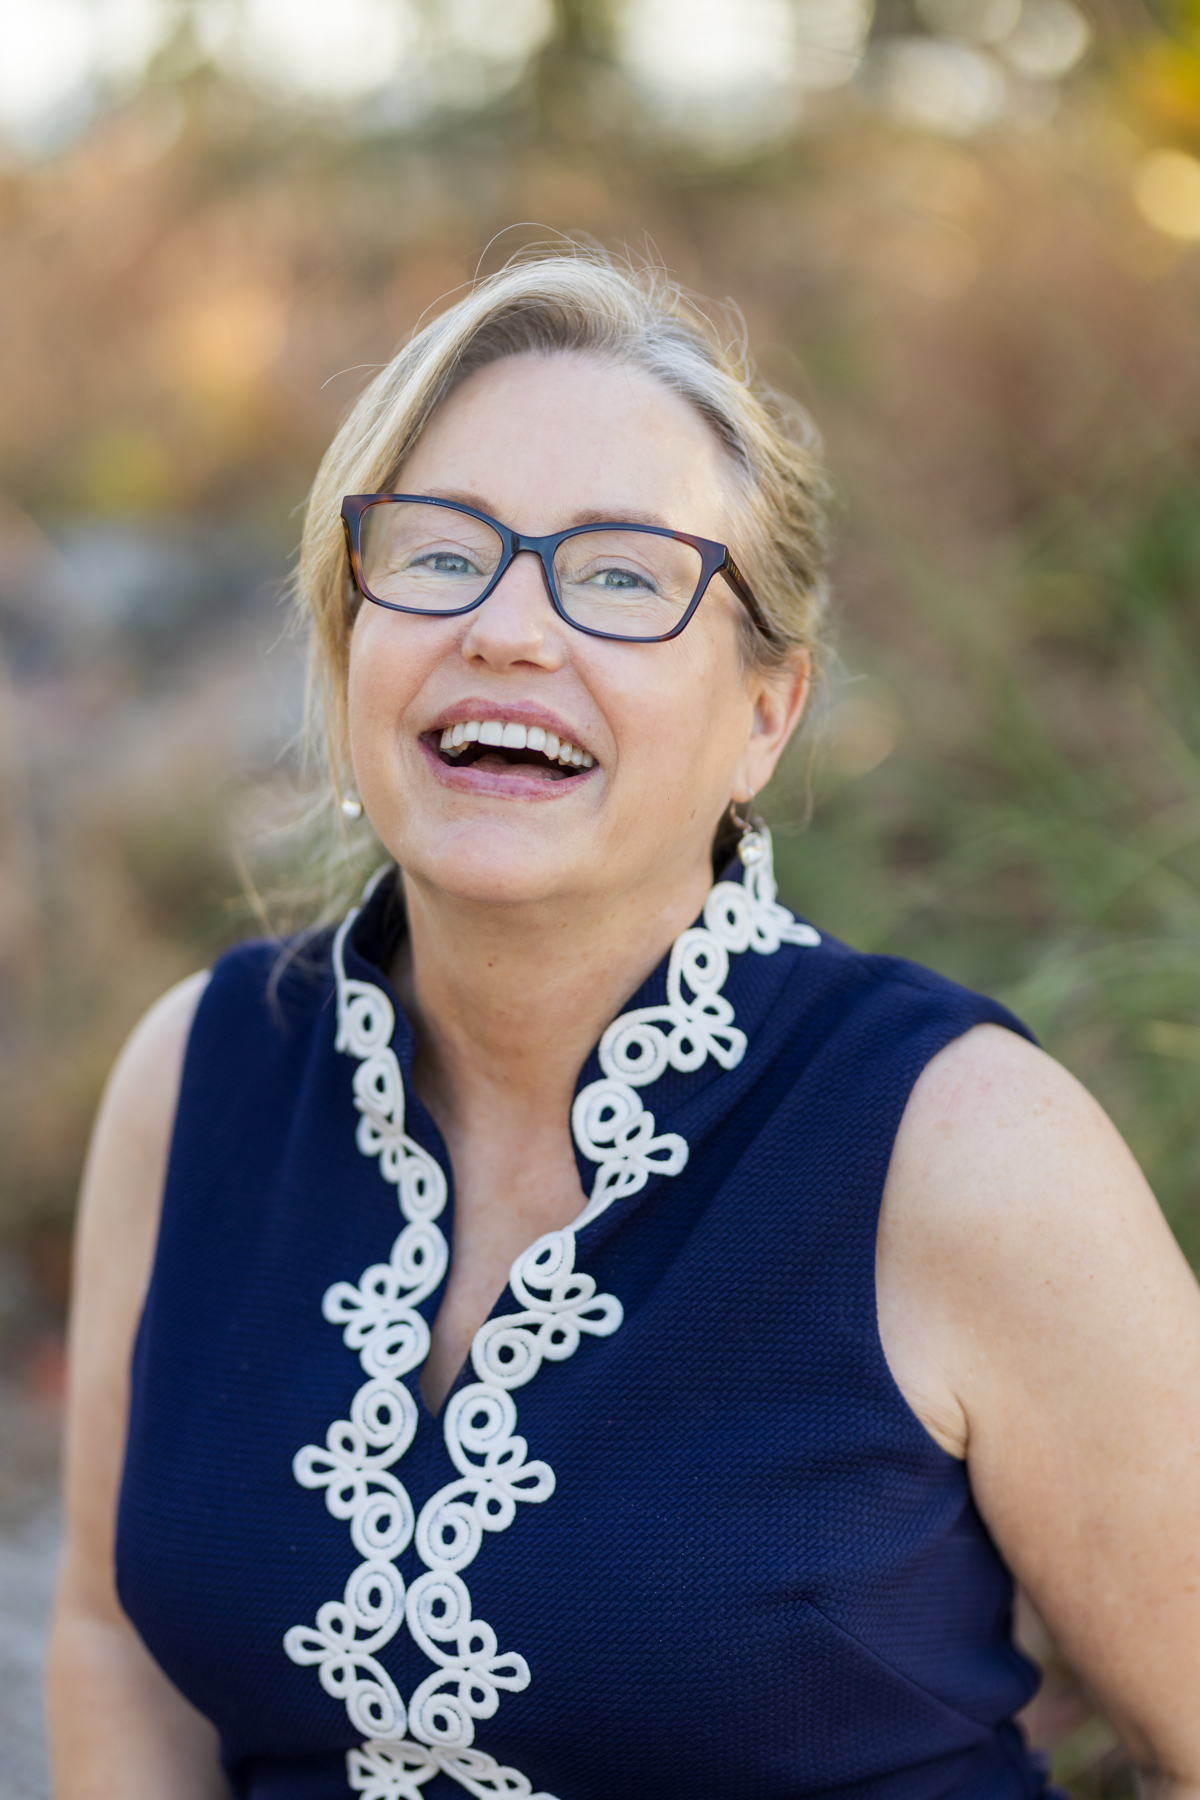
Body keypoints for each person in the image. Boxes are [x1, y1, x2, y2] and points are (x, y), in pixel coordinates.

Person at [46, 252, 1200, 1800]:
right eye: (440, 553)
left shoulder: (967, 1149)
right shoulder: (196, 1079)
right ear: (348, 637)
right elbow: (113, 1641)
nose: (509, 631)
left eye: (621, 576)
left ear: (766, 714)